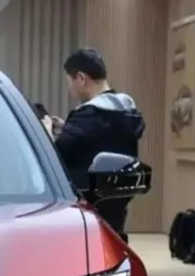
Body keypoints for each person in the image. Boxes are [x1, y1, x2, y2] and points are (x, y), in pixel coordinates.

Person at [49, 48, 145, 242]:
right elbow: (99, 140)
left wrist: (47, 133)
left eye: (70, 82)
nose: (70, 89)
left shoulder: (87, 115)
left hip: (84, 216)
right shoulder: (128, 113)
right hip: (115, 213)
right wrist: (68, 128)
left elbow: (56, 159)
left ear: (81, 78)